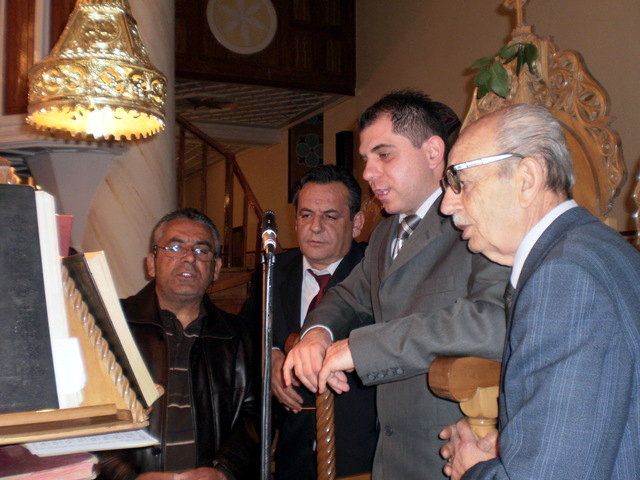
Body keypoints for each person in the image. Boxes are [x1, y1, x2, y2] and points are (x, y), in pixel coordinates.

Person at [282, 89, 510, 480]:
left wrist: (362, 348)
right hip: (389, 454)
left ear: (433, 152)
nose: (368, 173)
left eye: (384, 155)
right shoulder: (386, 233)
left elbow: (493, 321)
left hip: (453, 449)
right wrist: (317, 334)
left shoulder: (479, 221)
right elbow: (347, 297)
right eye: (366, 159)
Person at [438, 103, 640, 480]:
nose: (447, 205)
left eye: (461, 182)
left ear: (527, 178)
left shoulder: (564, 278)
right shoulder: (602, 249)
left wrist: (474, 470)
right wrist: (513, 449)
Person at [98, 208, 259, 480]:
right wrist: (127, 476)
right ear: (152, 263)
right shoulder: (110, 326)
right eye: (175, 247)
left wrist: (223, 472)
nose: (188, 258)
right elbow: (87, 415)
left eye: (201, 250)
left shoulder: (238, 336)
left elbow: (256, 416)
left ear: (216, 268)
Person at [242, 165, 377, 479]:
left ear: (356, 223)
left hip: (363, 454)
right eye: (306, 215)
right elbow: (247, 334)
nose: (315, 227)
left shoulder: (376, 272)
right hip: (293, 453)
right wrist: (270, 356)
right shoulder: (272, 270)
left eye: (330, 216)